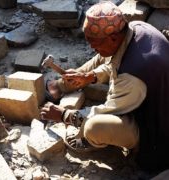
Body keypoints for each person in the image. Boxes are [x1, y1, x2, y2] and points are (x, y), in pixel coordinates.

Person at [41, 1, 169, 170]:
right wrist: (90, 76)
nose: (92, 47)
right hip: (149, 91)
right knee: (104, 54)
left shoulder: (132, 76)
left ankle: (108, 142)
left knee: (94, 128)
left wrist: (65, 115)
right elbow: (114, 60)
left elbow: (107, 109)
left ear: (113, 37)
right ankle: (63, 85)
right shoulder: (136, 28)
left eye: (93, 42)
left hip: (154, 128)